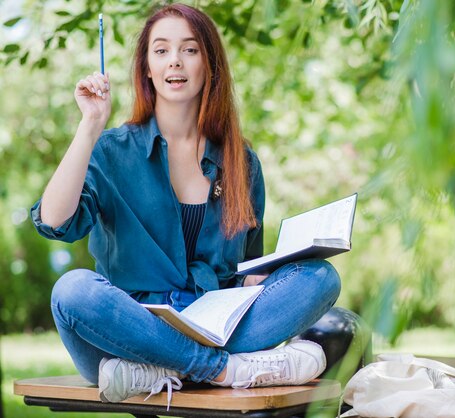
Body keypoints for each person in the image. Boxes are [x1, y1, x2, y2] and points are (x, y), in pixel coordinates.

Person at [30, 3, 341, 406]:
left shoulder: (241, 163)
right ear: (146, 68)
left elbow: (246, 271)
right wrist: (90, 124)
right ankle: (221, 371)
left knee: (321, 278)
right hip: (127, 335)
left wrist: (267, 274)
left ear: (209, 65)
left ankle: (168, 370)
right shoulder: (110, 151)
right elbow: (55, 221)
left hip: (212, 326)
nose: (174, 61)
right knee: (72, 290)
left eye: (190, 50)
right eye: (161, 51)